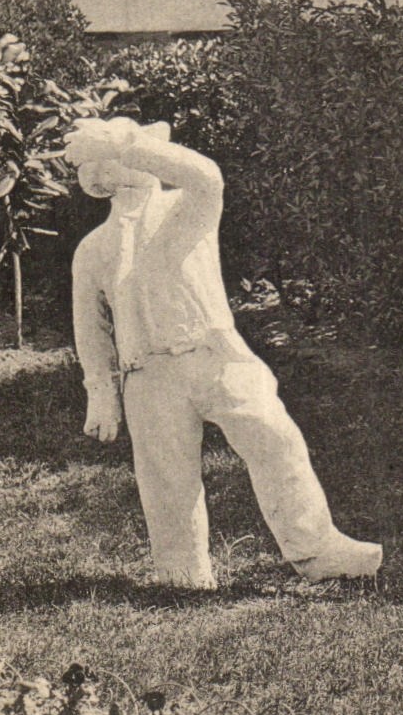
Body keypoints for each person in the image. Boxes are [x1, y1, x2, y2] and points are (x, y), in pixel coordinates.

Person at [69, 116, 382, 590]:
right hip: (147, 372)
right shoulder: (92, 248)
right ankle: (182, 572)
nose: (106, 168)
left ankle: (317, 548)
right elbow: (91, 328)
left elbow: (205, 174)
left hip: (215, 352)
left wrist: (126, 142)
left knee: (275, 439)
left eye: (113, 154)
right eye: (96, 160)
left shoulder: (186, 207)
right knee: (165, 479)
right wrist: (101, 390)